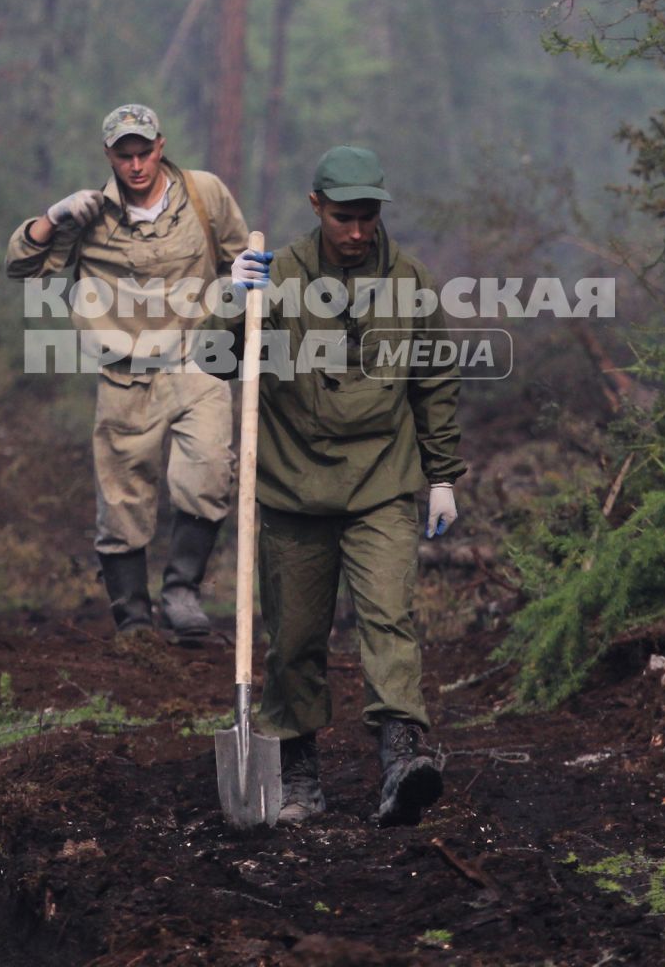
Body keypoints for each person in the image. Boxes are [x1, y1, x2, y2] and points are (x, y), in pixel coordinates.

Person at [212, 144, 465, 827]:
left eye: (368, 217)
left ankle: (401, 757)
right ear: (316, 207)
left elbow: (435, 383)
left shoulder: (410, 282)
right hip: (294, 484)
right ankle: (296, 772)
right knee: (294, 636)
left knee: (388, 614)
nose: (357, 232)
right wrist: (233, 299)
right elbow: (216, 361)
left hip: (382, 479)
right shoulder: (278, 278)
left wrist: (441, 475)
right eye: (344, 217)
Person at [6, 104, 249, 638]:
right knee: (122, 498)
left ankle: (182, 589)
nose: (136, 165)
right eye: (125, 155)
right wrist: (53, 218)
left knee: (210, 472)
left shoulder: (204, 195)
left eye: (144, 152)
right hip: (125, 369)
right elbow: (22, 267)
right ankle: (133, 616)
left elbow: (239, 257)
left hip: (196, 360)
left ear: (161, 146)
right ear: (109, 156)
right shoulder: (90, 214)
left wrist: (247, 286)